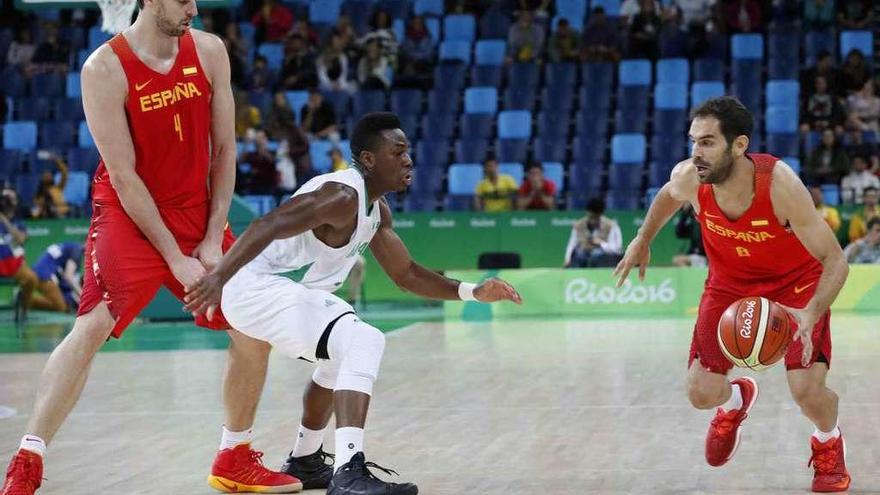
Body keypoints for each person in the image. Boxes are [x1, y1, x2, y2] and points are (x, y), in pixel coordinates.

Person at [0, 0, 299, 493]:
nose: (194, 8)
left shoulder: (210, 51)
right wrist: (174, 257)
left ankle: (233, 455)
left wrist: (209, 238)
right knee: (93, 325)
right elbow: (123, 176)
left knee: (251, 329)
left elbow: (225, 150)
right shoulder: (103, 68)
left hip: (197, 214)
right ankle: (28, 459)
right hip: (128, 214)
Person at [183, 113, 522, 495]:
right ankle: (348, 472)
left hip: (277, 292)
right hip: (256, 286)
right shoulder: (342, 194)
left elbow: (406, 274)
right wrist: (218, 277)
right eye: (398, 152)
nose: (408, 160)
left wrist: (473, 291)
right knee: (364, 340)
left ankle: (306, 460)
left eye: (408, 151)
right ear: (370, 159)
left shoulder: (375, 211)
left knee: (339, 357)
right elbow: (268, 224)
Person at [614, 97, 851, 493]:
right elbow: (669, 195)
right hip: (728, 284)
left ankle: (829, 442)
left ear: (739, 145)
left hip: (795, 285)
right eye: (693, 141)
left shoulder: (779, 185)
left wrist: (811, 312)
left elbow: (836, 261)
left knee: (806, 391)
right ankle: (733, 403)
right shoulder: (690, 176)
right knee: (700, 393)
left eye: (707, 142)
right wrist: (642, 238)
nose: (696, 153)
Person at [0, 188, 35, 323]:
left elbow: (20, 239)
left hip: (15, 265)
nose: (7, 202)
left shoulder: (18, 223)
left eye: (10, 198)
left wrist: (4, 221)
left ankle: (24, 311)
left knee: (31, 279)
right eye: (4, 198)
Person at [564, 197, 623, 268]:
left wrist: (601, 243)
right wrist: (567, 259)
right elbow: (571, 245)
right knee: (579, 253)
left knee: (596, 254)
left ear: (601, 214)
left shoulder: (611, 226)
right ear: (587, 212)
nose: (593, 221)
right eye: (591, 217)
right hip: (584, 253)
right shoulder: (578, 225)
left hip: (605, 258)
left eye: (596, 218)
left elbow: (617, 249)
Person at [29, 241, 84, 313]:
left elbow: (64, 278)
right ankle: (24, 300)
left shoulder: (70, 246)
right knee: (60, 306)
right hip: (45, 276)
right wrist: (84, 297)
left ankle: (24, 299)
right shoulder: (77, 250)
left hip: (38, 273)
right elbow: (68, 277)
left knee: (62, 302)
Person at [30, 152, 70, 219]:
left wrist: (56, 160)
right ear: (42, 178)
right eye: (45, 174)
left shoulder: (58, 188)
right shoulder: (38, 196)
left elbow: (65, 172)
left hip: (62, 216)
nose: (48, 175)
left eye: (50, 174)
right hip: (47, 219)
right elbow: (35, 212)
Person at [672, 202, 707, 267]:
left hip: (704, 257)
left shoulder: (706, 223)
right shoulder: (693, 225)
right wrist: (684, 213)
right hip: (693, 255)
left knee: (679, 260)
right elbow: (679, 233)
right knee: (677, 260)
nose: (693, 212)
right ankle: (691, 275)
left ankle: (693, 274)